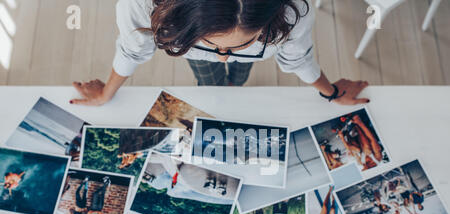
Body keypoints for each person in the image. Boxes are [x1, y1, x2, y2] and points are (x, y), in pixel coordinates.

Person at [71, 0, 369, 107]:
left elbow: (297, 58)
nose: (224, 55)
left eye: (244, 44)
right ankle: (218, 85)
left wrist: (331, 93)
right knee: (208, 76)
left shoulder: (294, 11)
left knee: (239, 73)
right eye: (211, 44)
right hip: (194, 59)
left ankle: (233, 84)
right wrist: (107, 93)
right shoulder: (140, 5)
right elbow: (133, 50)